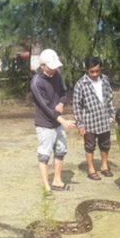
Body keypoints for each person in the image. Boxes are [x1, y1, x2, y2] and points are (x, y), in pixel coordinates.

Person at [30, 49, 76, 197]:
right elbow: (46, 107)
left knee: (61, 150)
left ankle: (57, 180)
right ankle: (46, 187)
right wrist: (63, 121)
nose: (54, 69)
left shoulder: (58, 74)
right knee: (44, 155)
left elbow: (64, 91)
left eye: (56, 66)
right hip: (45, 124)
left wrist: (62, 103)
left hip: (57, 121)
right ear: (42, 65)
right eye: (51, 67)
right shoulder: (36, 82)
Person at [73, 57, 115, 180]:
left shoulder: (105, 80)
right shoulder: (81, 84)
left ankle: (104, 166)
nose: (95, 74)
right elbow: (77, 106)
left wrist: (113, 114)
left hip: (104, 119)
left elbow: (109, 98)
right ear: (86, 70)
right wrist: (80, 124)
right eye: (92, 71)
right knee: (90, 146)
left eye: (97, 71)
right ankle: (91, 169)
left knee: (105, 144)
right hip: (89, 121)